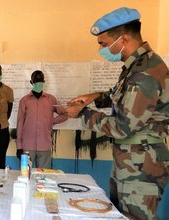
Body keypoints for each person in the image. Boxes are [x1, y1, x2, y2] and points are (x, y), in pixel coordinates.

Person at [66, 7, 169, 219]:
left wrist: (82, 114)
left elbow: (121, 127)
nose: (101, 49)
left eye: (103, 44)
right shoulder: (137, 66)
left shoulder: (144, 73)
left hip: (141, 166)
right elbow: (122, 96)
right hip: (132, 160)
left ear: (122, 40)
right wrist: (95, 96)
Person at [16, 70, 68, 168]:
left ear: (44, 82)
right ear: (31, 82)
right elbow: (20, 124)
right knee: (25, 175)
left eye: (41, 80)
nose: (39, 83)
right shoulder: (24, 101)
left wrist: (51, 121)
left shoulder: (52, 100)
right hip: (27, 146)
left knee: (44, 177)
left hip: (45, 145)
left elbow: (65, 114)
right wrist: (19, 146)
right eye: (36, 80)